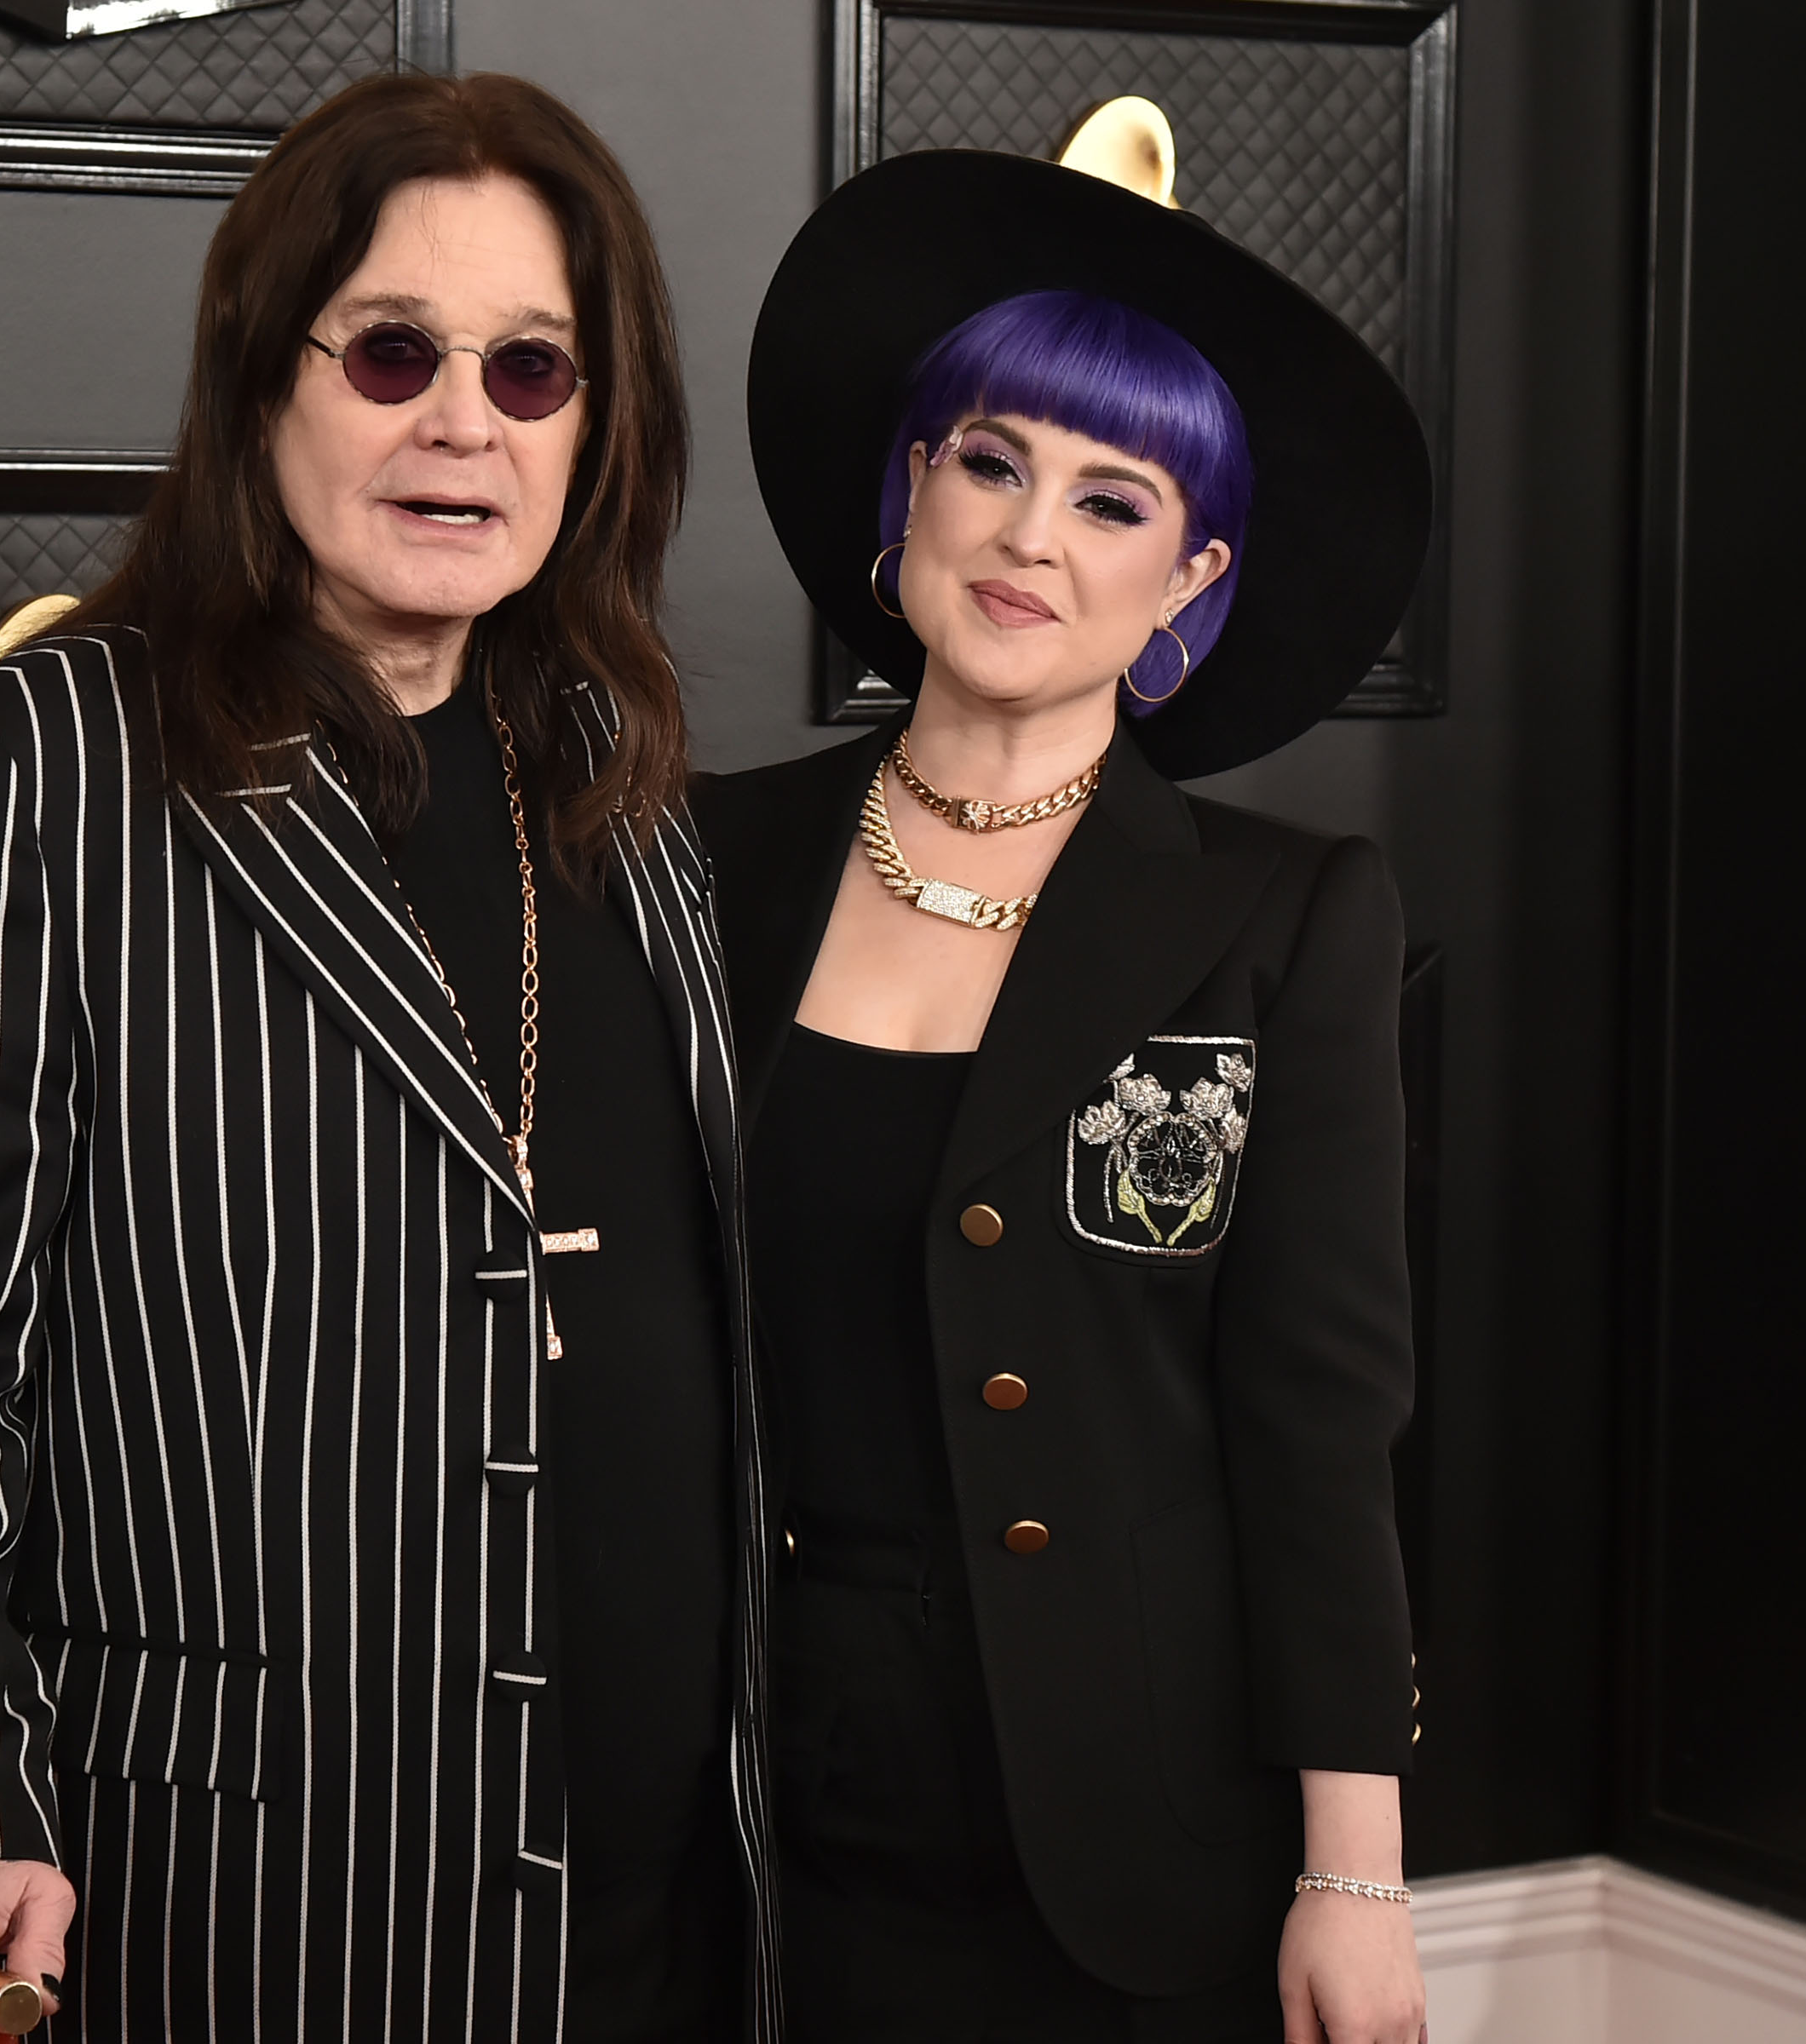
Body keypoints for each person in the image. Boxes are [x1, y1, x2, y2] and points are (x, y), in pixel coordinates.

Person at [0, 72, 775, 2044]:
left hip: (673, 1891)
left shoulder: (625, 782)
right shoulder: (37, 773)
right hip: (265, 1894)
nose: (459, 423)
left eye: (531, 371)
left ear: (595, 433)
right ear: (266, 381)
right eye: (396, 350)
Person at [696, 149, 1435, 2043]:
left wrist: (1357, 1879)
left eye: (1116, 499)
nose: (1033, 537)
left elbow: (1318, 1425)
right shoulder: (704, 865)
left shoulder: (1284, 916)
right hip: (757, 1799)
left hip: (1141, 1830)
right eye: (992, 462)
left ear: (1192, 575)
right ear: (910, 490)